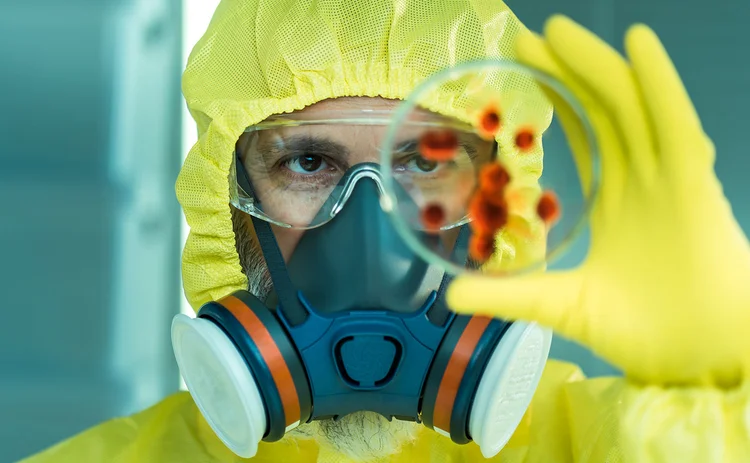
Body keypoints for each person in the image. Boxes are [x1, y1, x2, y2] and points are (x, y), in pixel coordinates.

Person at [21, 0, 750, 462]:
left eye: (426, 162)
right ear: (229, 201)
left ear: (504, 200)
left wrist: (719, 396)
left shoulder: (626, 446)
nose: (370, 232)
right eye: (308, 162)